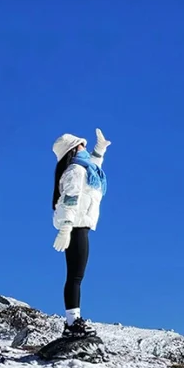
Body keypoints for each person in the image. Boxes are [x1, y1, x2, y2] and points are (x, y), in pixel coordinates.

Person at [51, 129, 111, 335]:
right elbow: (70, 197)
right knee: (74, 277)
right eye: (82, 145)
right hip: (75, 228)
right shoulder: (75, 171)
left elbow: (95, 166)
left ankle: (73, 321)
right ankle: (72, 323)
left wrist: (99, 149)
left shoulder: (85, 169)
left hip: (80, 228)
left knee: (77, 276)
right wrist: (66, 228)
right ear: (74, 150)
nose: (85, 148)